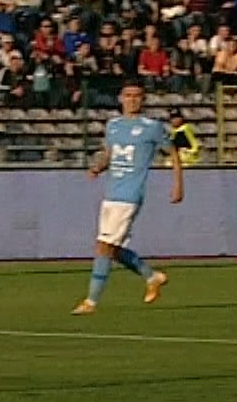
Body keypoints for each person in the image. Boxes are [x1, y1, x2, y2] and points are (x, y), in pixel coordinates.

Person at [74, 83, 181, 315]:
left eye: (137, 96)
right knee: (112, 249)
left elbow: (173, 152)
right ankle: (152, 277)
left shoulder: (152, 127)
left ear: (143, 100)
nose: (132, 100)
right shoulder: (113, 125)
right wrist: (98, 167)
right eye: (128, 96)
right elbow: (110, 154)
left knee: (103, 246)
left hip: (130, 195)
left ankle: (91, 301)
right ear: (120, 98)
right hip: (111, 192)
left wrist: (177, 185)